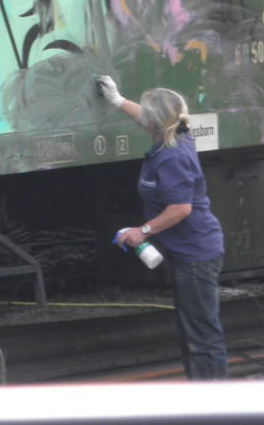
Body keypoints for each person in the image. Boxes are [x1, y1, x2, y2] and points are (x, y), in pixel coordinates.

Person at [97, 75, 228, 380]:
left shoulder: (171, 156)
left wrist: (142, 231)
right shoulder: (175, 135)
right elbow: (146, 118)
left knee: (201, 335)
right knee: (192, 329)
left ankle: (215, 404)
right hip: (191, 252)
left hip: (196, 254)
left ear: (157, 123)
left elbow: (181, 208)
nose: (143, 118)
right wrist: (117, 100)